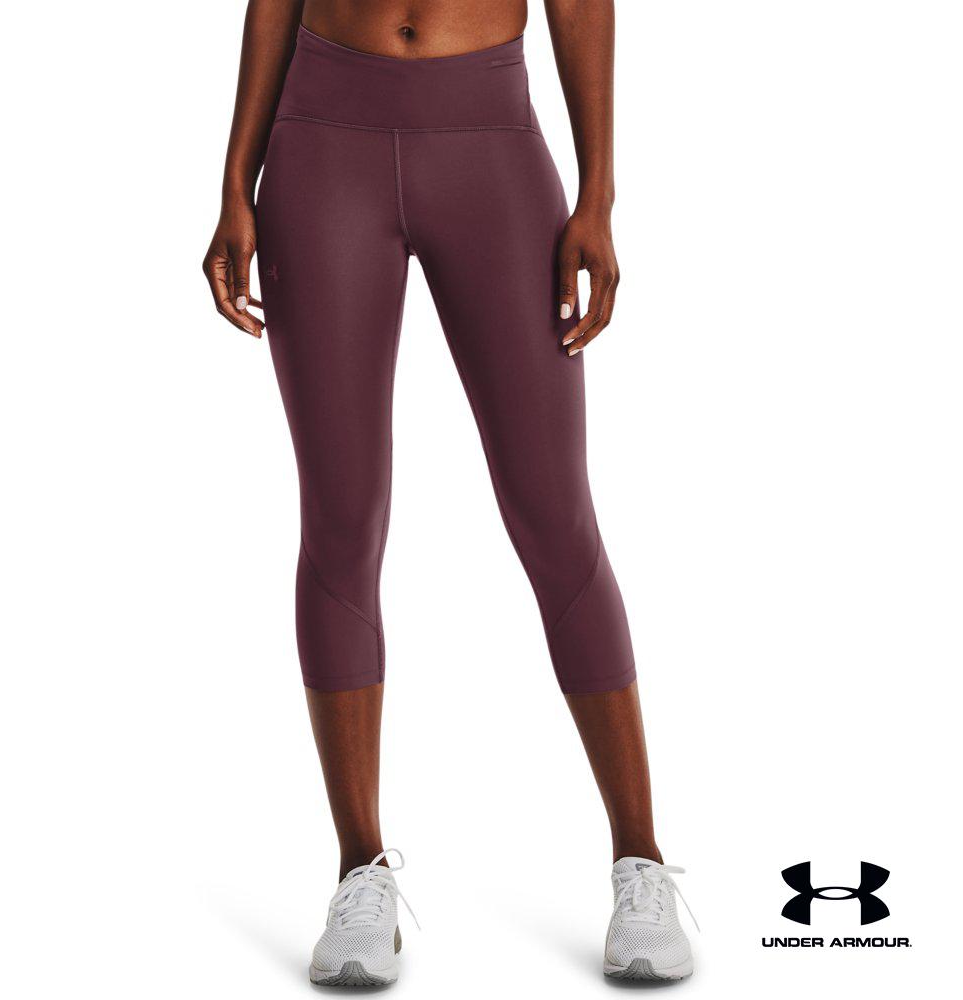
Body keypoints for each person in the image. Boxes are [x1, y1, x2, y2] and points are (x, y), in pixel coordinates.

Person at [203, 0, 694, 985]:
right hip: (321, 145)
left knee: (553, 515)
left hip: (490, 145)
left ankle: (640, 861)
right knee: (341, 518)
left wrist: (597, 195)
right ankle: (359, 872)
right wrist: (233, 186)